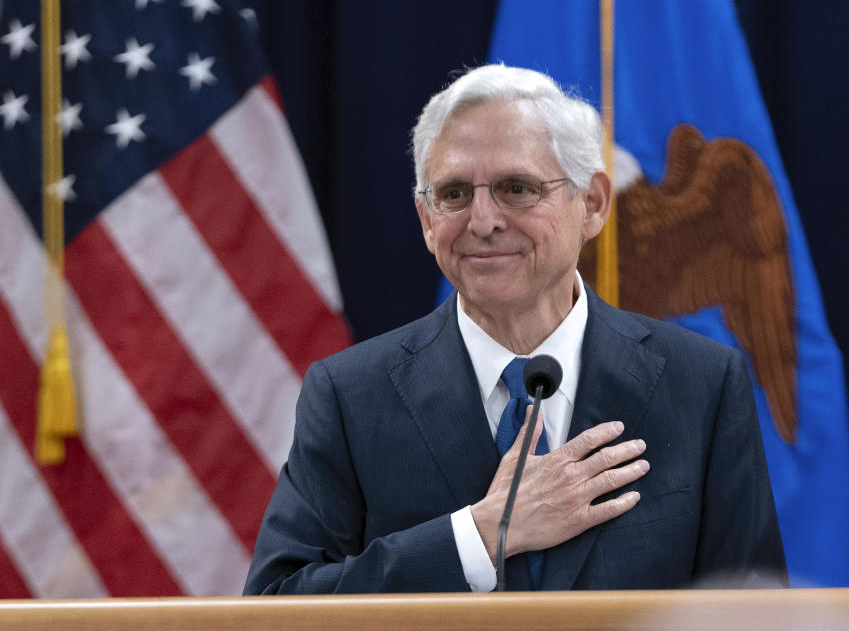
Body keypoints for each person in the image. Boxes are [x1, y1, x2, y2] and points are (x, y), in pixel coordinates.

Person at [243, 65, 787, 594]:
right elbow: (277, 606)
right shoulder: (350, 395)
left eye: (517, 188)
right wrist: (479, 536)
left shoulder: (702, 385)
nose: (482, 221)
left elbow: (754, 613)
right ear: (427, 220)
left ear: (593, 204)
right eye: (454, 194)